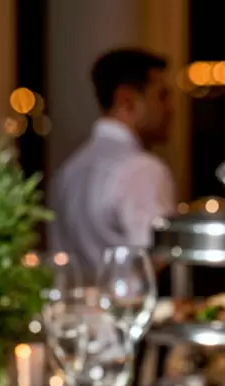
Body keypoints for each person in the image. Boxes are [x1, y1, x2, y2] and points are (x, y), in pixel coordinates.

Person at [51, 48, 176, 274]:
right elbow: (157, 261)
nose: (171, 109)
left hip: (73, 305)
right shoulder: (142, 169)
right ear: (126, 100)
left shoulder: (68, 169)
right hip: (130, 307)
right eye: (162, 96)